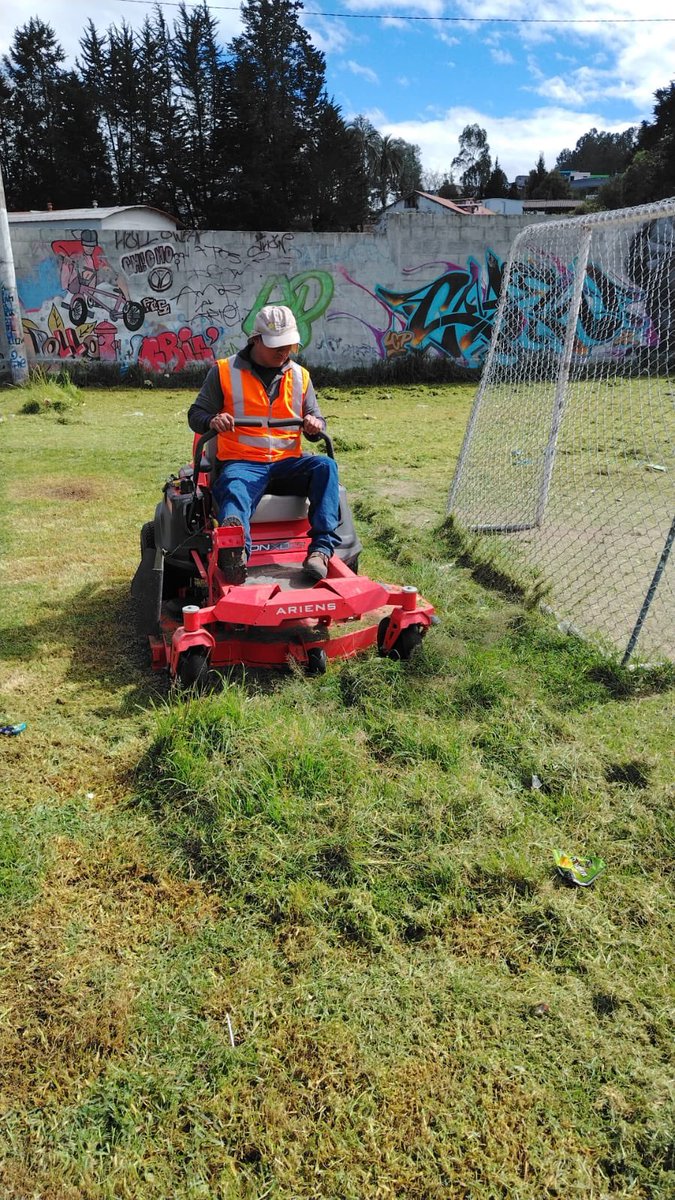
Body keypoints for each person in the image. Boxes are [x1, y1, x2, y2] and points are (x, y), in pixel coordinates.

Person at [188, 305, 340, 584]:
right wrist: (213, 420)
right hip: (242, 463)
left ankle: (320, 551)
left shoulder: (301, 376)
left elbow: (316, 418)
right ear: (255, 340)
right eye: (276, 346)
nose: (284, 352)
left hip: (287, 463)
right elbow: (195, 415)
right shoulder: (223, 372)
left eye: (289, 345)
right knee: (234, 488)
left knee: (325, 466)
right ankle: (236, 552)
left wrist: (315, 425)